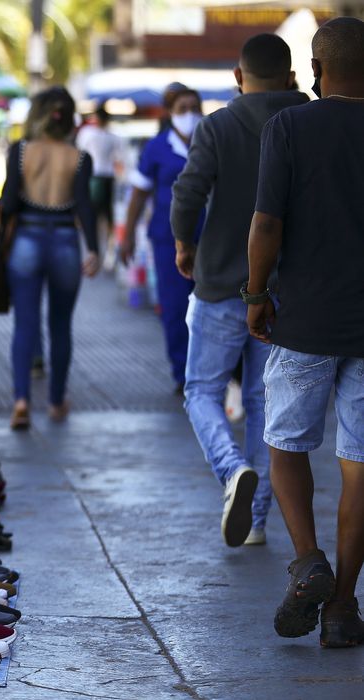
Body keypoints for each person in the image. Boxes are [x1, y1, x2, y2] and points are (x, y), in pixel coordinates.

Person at [246, 17, 364, 649]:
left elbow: (266, 224)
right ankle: (344, 606)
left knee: (286, 443)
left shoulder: (289, 127)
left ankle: (308, 560)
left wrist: (256, 294)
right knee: (360, 463)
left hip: (304, 318)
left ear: (317, 71)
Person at [171, 34, 308, 549]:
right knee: (260, 400)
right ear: (293, 76)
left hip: (221, 283)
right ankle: (256, 522)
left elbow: (188, 193)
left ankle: (231, 472)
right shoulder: (308, 122)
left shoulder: (219, 124)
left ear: (237, 76)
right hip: (286, 289)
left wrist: (185, 245)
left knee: (202, 391)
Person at [0, 87, 100, 430]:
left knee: (25, 324)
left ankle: (21, 400)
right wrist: (95, 250)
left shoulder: (20, 151)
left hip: (26, 240)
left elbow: (9, 204)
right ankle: (56, 401)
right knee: (60, 325)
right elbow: (85, 207)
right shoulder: (80, 158)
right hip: (65, 243)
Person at [121, 84, 203, 393]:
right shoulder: (156, 148)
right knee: (174, 306)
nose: (190, 116)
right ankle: (182, 372)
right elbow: (139, 193)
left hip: (208, 237)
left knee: (210, 307)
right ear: (170, 113)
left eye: (194, 108)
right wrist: (127, 234)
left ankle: (210, 369)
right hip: (167, 237)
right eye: (183, 109)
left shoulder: (210, 141)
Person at [76, 105, 123, 258]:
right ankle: (107, 250)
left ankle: (95, 248)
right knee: (107, 216)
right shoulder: (112, 136)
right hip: (107, 177)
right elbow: (119, 159)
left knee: (92, 214)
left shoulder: (87, 134)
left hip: (94, 177)